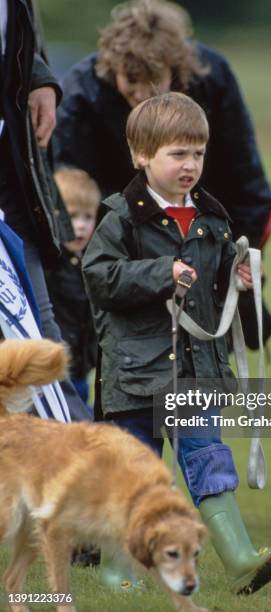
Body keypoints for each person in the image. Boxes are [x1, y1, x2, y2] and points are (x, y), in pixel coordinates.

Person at [82, 92, 271, 594]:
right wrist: (160, 273)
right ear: (141, 155)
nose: (190, 164)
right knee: (136, 477)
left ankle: (240, 561)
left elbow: (212, 295)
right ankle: (119, 572)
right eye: (177, 154)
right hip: (135, 375)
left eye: (197, 153)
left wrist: (236, 284)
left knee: (208, 459)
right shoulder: (119, 218)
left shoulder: (214, 220)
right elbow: (98, 277)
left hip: (197, 373)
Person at [53, 0, 271, 349]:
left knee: (204, 366)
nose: (142, 96)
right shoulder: (83, 92)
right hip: (120, 252)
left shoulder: (212, 76)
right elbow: (71, 191)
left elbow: (247, 183)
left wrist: (236, 261)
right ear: (113, 69)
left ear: (177, 69)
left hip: (203, 245)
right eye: (131, 84)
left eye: (154, 82)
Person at [0, 0, 90, 420]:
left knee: (39, 341)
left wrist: (37, 75)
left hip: (11, 174)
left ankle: (94, 477)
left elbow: (15, 34)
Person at [45, 169, 100, 406]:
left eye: (88, 217)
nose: (80, 226)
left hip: (79, 371)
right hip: (50, 372)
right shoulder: (48, 265)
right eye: (72, 216)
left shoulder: (93, 261)